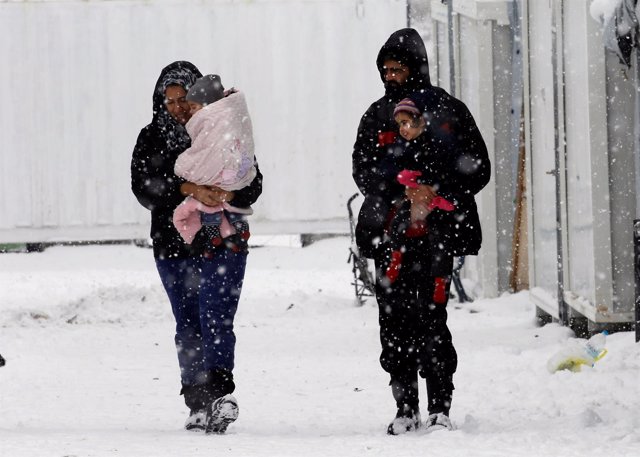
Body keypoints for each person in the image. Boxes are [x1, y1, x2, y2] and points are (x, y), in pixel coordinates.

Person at [352, 28, 490, 435]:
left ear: (416, 67)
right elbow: (363, 170)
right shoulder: (376, 116)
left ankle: (440, 405)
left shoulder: (448, 110)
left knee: (432, 317)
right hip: (390, 237)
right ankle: (405, 405)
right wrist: (401, 188)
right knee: (393, 322)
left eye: (398, 69)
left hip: (439, 236)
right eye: (385, 70)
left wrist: (436, 188)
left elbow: (477, 166)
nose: (390, 76)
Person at [130, 61, 263, 434]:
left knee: (217, 319)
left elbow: (253, 180)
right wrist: (188, 189)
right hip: (172, 246)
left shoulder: (220, 128)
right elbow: (144, 188)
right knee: (188, 323)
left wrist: (229, 192)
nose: (175, 107)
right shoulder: (151, 137)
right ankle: (197, 401)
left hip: (218, 240)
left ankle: (220, 394)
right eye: (168, 100)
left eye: (181, 98)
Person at [173, 74, 256, 247]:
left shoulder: (219, 132)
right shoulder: (230, 132)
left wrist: (230, 194)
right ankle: (236, 227)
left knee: (210, 214)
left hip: (226, 248)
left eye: (193, 107)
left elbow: (254, 185)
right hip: (191, 248)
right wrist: (195, 189)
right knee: (223, 215)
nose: (190, 112)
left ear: (208, 108)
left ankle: (220, 233)